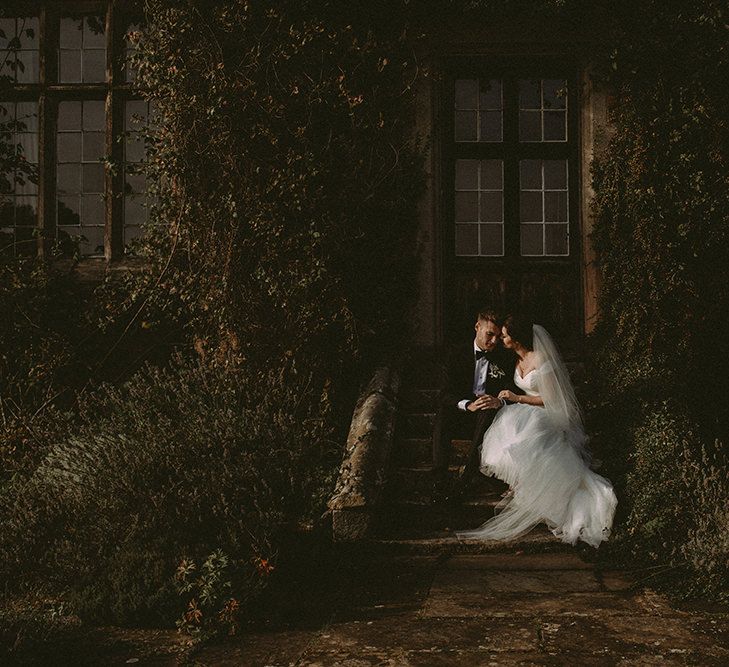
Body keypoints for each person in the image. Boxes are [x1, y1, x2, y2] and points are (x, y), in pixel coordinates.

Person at [457, 315, 617, 547]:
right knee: (507, 427)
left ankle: (528, 488)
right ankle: (518, 483)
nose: (501, 339)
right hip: (522, 408)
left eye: (504, 335)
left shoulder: (541, 359)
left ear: (516, 338)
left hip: (545, 411)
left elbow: (553, 399)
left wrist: (517, 398)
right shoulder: (512, 358)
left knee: (527, 432)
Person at [434, 308, 521, 500]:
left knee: (487, 409)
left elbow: (512, 387)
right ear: (477, 327)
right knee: (443, 413)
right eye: (489, 334)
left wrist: (499, 400)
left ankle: (468, 473)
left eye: (498, 337)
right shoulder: (456, 353)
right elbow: (444, 394)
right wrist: (467, 405)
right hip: (463, 415)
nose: (494, 341)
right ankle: (438, 477)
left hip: (489, 419)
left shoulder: (504, 357)